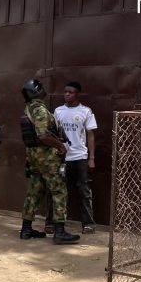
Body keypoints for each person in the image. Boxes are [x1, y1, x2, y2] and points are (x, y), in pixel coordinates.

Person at [19, 79, 79, 244]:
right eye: (41, 88)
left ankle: (26, 229)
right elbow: (43, 135)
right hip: (46, 157)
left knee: (34, 191)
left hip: (33, 156)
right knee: (59, 191)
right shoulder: (40, 111)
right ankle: (59, 232)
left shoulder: (28, 109)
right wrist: (61, 147)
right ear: (36, 92)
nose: (44, 90)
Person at [49, 81, 97, 234]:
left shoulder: (86, 111)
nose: (67, 94)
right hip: (61, 158)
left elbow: (90, 136)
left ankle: (88, 224)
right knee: (56, 190)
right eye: (65, 92)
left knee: (84, 191)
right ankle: (51, 222)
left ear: (78, 94)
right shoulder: (58, 111)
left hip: (80, 157)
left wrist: (91, 158)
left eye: (71, 92)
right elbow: (53, 134)